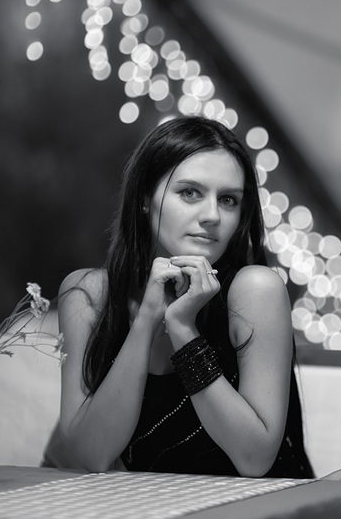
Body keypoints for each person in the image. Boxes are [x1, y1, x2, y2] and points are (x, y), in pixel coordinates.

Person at [43, 116, 312, 478]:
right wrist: (146, 320)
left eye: (229, 200)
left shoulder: (255, 290)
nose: (213, 215)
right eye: (190, 193)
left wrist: (184, 330)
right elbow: (91, 457)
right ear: (144, 198)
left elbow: (254, 459)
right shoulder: (90, 296)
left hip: (261, 518)